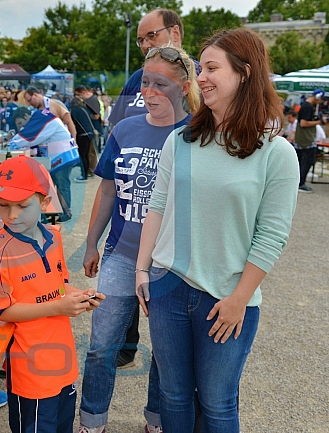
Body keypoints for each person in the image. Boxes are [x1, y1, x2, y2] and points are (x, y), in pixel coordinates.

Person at [135, 28, 298, 433]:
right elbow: (157, 206)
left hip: (227, 300)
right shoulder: (182, 140)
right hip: (168, 287)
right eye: (199, 69)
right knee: (172, 396)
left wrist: (239, 299)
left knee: (218, 403)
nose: (201, 78)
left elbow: (271, 236)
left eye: (211, 68)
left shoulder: (276, 153)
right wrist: (142, 272)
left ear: (244, 73)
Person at [78, 45, 199, 433]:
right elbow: (108, 190)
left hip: (172, 262)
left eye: (160, 84)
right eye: (145, 81)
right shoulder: (125, 128)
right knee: (100, 347)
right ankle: (92, 420)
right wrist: (91, 242)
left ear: (183, 87)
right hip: (122, 253)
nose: (149, 91)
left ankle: (156, 420)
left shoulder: (197, 134)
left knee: (166, 353)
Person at [0, 155, 104, 433]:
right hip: (30, 373)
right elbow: (1, 310)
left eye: (23, 206)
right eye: (3, 205)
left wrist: (81, 296)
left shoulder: (54, 237)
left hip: (63, 363)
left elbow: (57, 287)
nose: (12, 215)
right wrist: (59, 308)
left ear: (45, 202)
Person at [105, 7, 187, 379]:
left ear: (175, 32)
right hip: (132, 216)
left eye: (150, 36)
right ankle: (126, 343)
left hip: (178, 226)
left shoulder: (201, 76)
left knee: (171, 334)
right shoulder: (138, 78)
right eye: (140, 39)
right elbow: (117, 127)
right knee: (127, 280)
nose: (143, 45)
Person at [9, 106, 80, 222]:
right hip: (62, 154)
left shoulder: (40, 119)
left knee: (62, 185)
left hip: (63, 155)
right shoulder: (41, 115)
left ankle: (66, 213)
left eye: (21, 123)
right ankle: (57, 211)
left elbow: (32, 138)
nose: (22, 127)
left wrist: (13, 141)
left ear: (27, 116)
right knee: (55, 185)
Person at [295, 89, 327, 193]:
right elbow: (303, 123)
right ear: (317, 96)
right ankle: (301, 183)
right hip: (306, 139)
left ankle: (299, 182)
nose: (320, 101)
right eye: (321, 99)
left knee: (302, 161)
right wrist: (319, 122)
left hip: (304, 138)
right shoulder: (307, 107)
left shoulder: (306, 106)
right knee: (308, 160)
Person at [70, 96, 97, 183]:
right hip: (89, 132)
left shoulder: (74, 110)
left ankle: (83, 175)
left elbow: (72, 123)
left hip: (83, 134)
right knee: (86, 155)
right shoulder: (84, 109)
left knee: (82, 155)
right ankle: (86, 172)